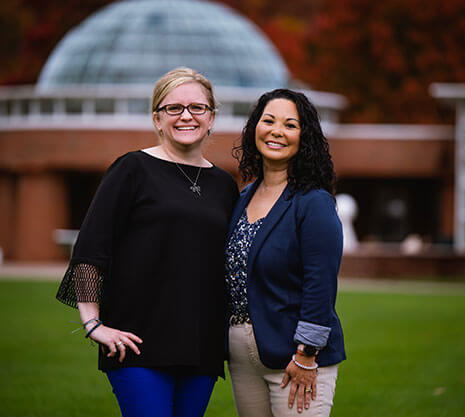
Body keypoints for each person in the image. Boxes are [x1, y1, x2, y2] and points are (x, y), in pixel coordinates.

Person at [56, 67, 239, 417]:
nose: (186, 115)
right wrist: (93, 323)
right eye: (174, 108)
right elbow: (90, 251)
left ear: (212, 117)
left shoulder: (224, 184)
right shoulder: (131, 169)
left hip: (201, 343)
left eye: (197, 108)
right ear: (157, 118)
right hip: (136, 341)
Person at [225, 88, 346, 417]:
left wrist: (307, 354)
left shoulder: (314, 203)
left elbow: (320, 282)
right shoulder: (243, 198)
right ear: (255, 130)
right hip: (242, 357)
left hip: (297, 358)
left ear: (303, 138)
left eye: (290, 125)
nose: (277, 131)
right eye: (268, 121)